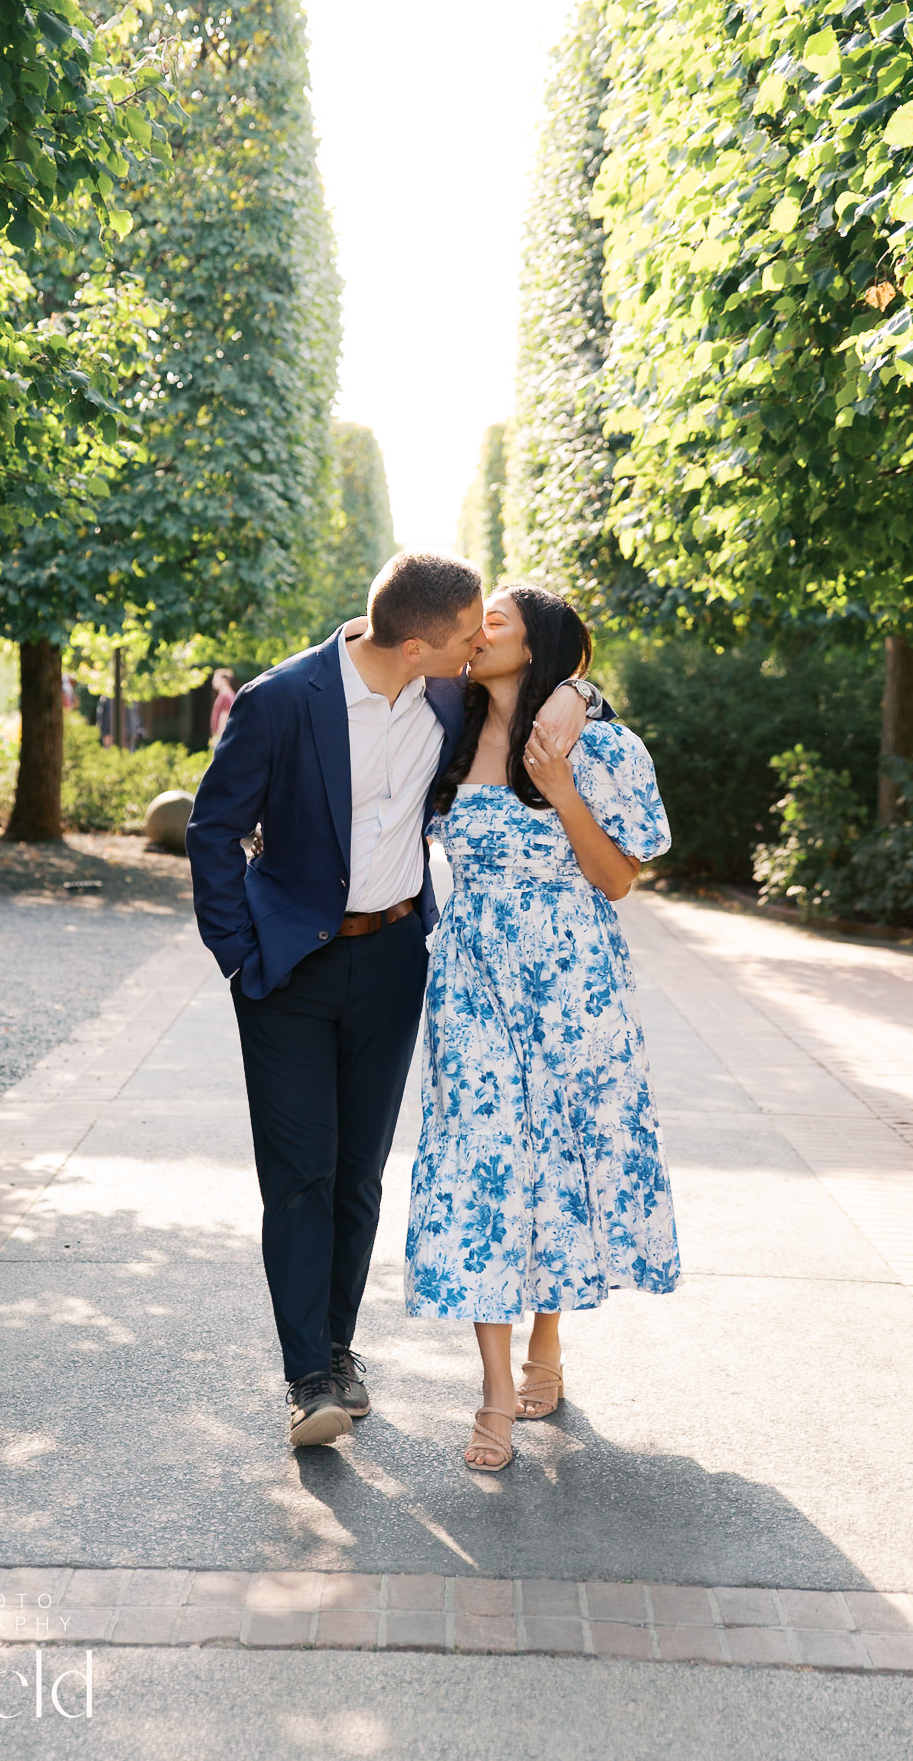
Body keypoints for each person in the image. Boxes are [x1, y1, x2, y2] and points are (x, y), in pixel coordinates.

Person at [185, 554, 600, 1449]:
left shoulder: (445, 696)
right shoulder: (281, 700)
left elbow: (540, 681)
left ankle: (338, 1348)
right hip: (287, 970)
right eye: (466, 636)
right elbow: (212, 829)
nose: (476, 647)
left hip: (395, 960)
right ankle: (308, 1378)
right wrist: (238, 953)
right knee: (299, 1174)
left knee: (359, 1173)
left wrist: (582, 693)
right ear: (417, 644)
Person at [404, 583, 679, 1472]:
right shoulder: (444, 724)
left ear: (539, 643)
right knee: (480, 1157)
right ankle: (490, 1388)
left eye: (493, 623)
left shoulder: (600, 746)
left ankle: (546, 1344)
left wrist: (561, 788)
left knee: (557, 1153)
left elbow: (616, 881)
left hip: (571, 979)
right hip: (472, 977)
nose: (472, 636)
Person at [210, 669, 237, 747]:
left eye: (215, 678)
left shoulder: (226, 696)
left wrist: (219, 740)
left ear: (224, 680)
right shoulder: (227, 695)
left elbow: (224, 719)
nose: (213, 681)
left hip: (221, 738)